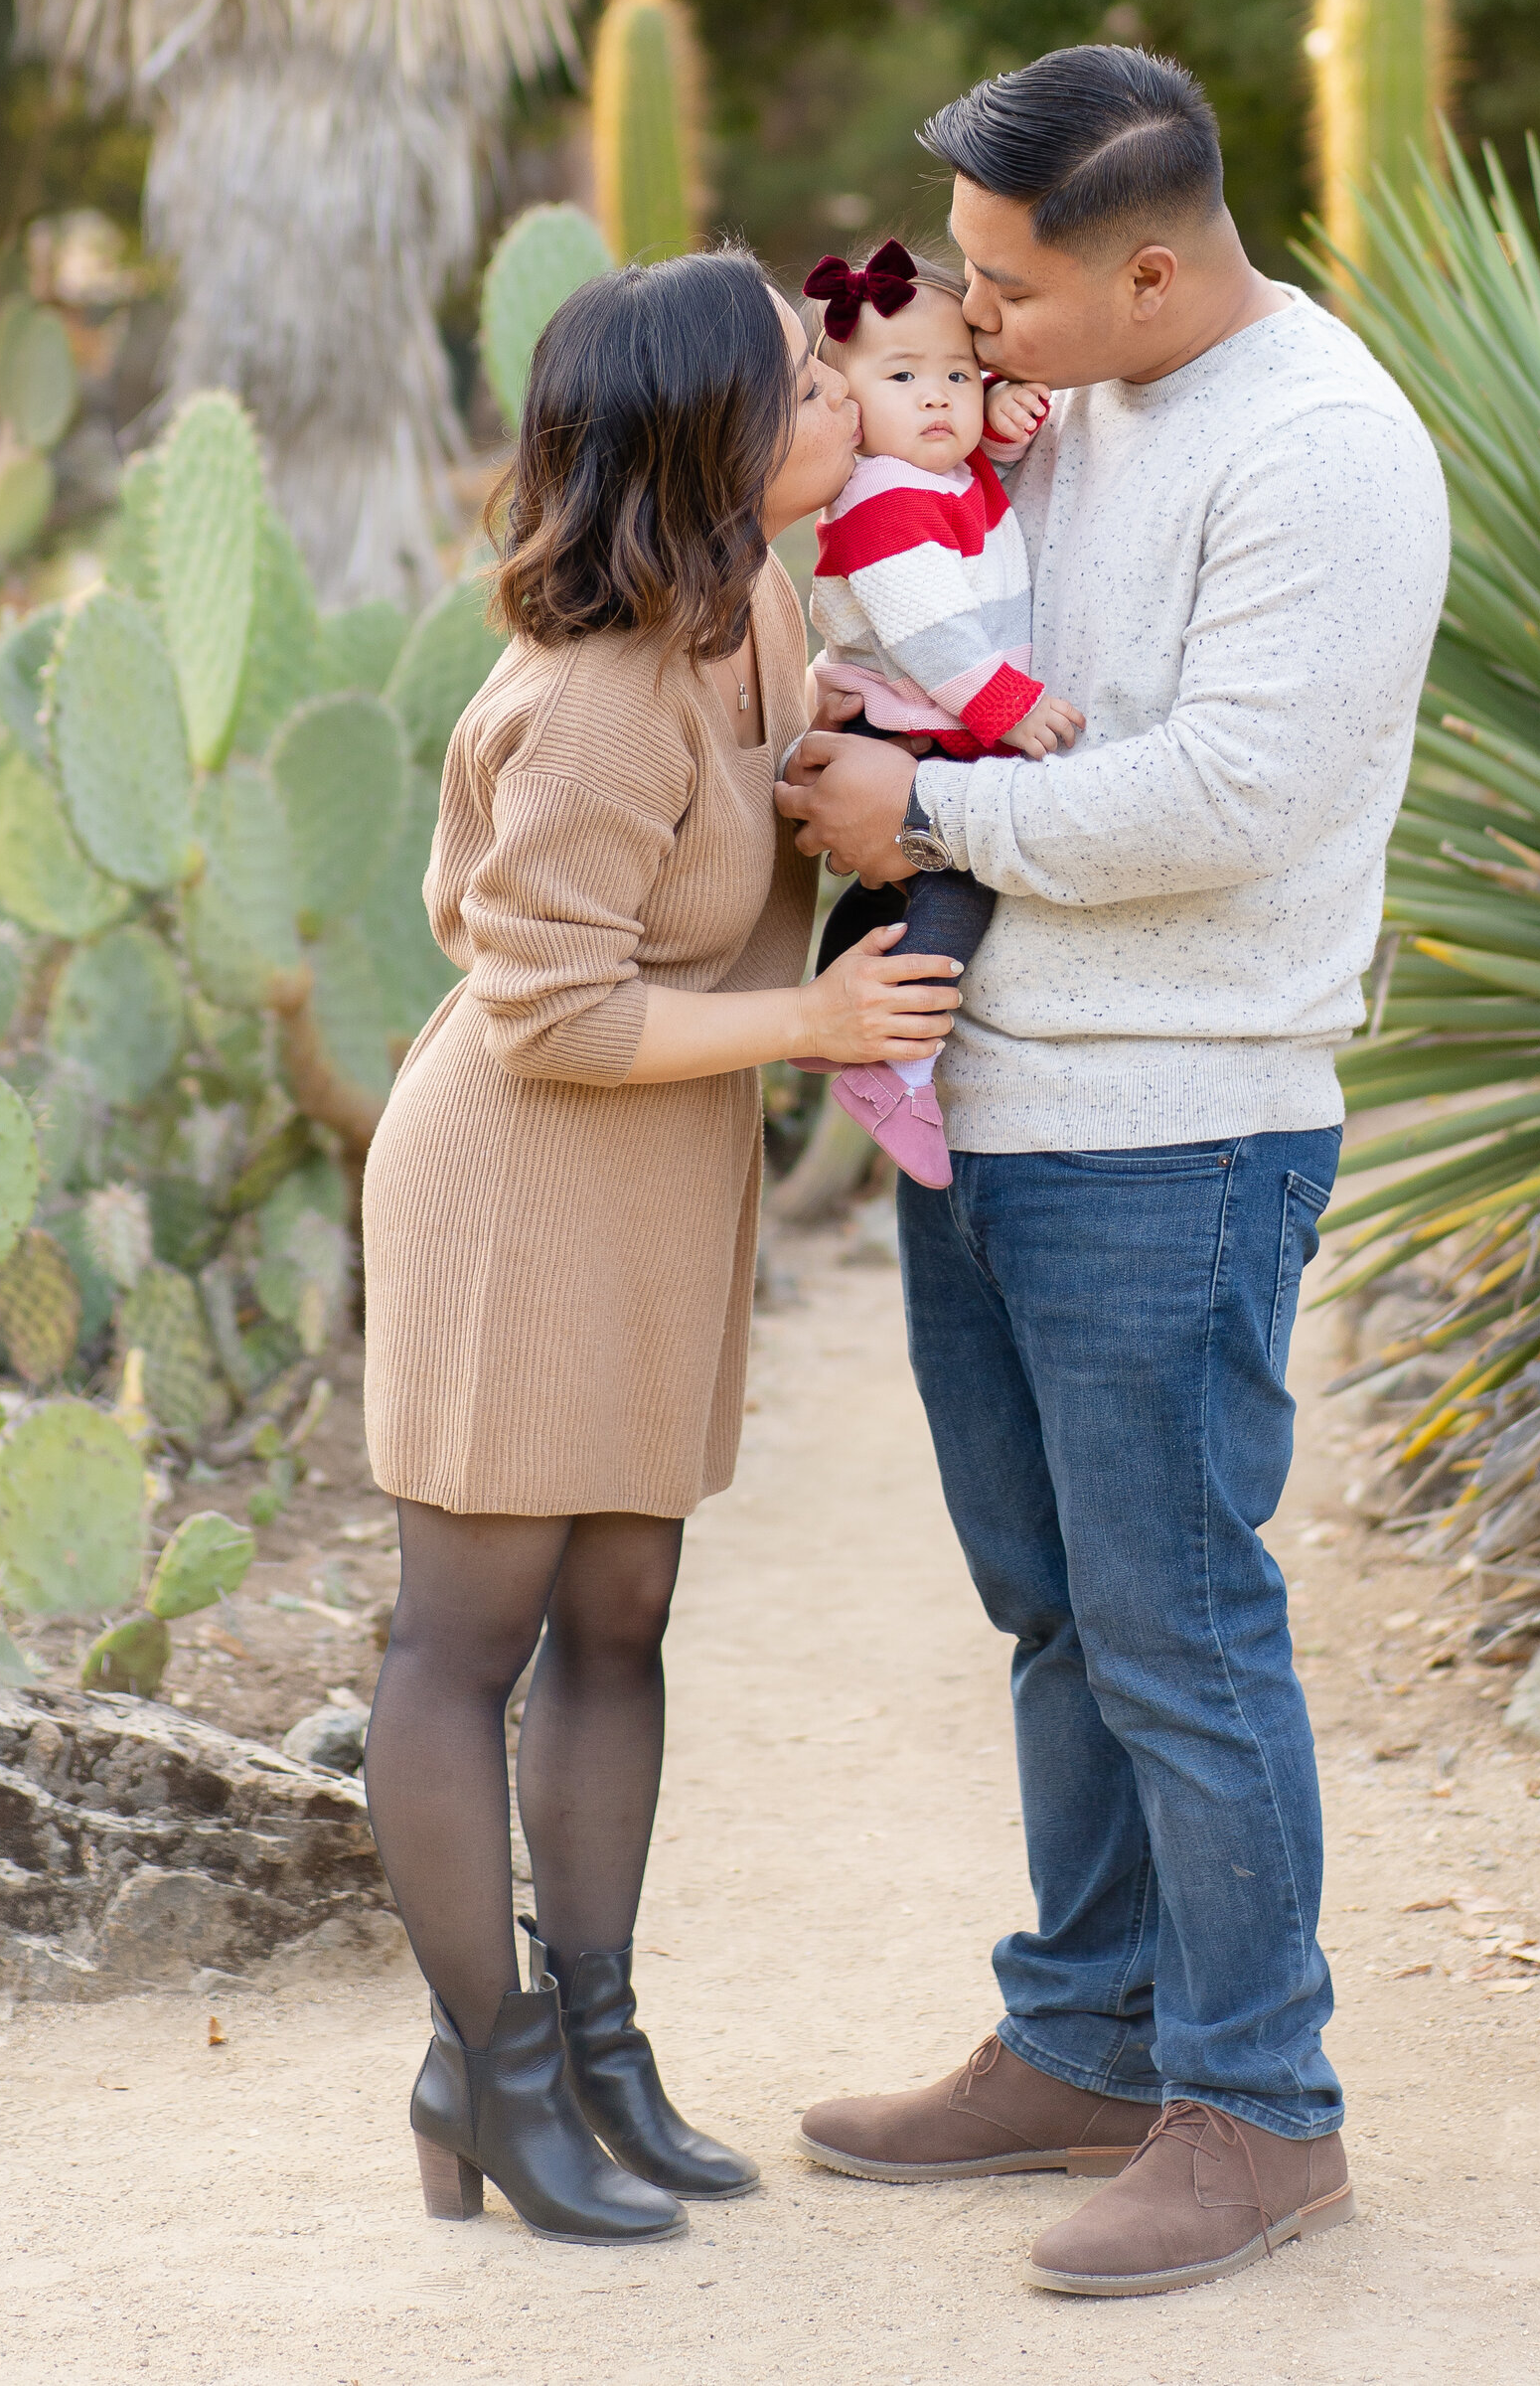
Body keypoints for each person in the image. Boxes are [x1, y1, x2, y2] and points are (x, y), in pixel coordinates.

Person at [777, 44, 1450, 2303]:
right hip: (995, 1101)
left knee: (1178, 1619)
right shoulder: (1100, 398)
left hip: (1181, 1123)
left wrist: (928, 819)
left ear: (1152, 265)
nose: (967, 330)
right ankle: (1084, 2032)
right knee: (1058, 1604)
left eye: (1004, 291)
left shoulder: (1326, 449)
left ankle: (1260, 2105)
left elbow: (1225, 796)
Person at [358, 249, 966, 2247]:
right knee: (464, 1646)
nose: (843, 394)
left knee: (620, 1616)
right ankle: (485, 2062)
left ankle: (595, 2046)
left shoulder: (755, 613)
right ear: (710, 438)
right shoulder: (605, 699)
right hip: (522, 1176)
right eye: (803, 379)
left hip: (651, 1171)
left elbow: (764, 835)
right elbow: (551, 1016)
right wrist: (810, 1024)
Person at [796, 238, 1077, 1186]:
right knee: (957, 884)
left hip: (928, 712)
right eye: (904, 374)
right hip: (915, 713)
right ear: (846, 401)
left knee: (889, 891)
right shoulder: (878, 493)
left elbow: (977, 471)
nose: (936, 396)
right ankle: (893, 1066)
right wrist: (1006, 707)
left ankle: (835, 1012)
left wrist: (1000, 419)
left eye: (958, 373)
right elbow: (929, 626)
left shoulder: (938, 472)